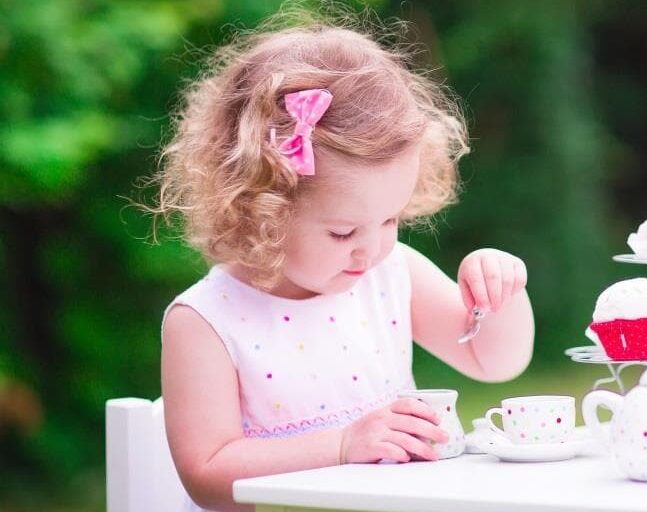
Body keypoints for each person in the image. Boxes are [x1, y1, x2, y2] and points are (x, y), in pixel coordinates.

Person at [151, 14, 534, 512]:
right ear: (260, 208)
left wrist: (501, 293)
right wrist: (342, 446)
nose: (370, 249)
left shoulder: (390, 273)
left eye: (391, 220)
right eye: (342, 231)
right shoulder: (206, 321)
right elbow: (207, 475)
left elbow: (496, 362)